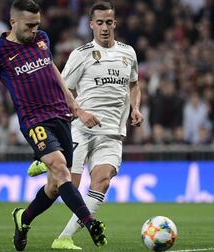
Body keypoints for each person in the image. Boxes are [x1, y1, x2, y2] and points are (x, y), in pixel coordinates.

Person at [0, 0, 106, 251]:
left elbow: (52, 69)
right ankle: (89, 222)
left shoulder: (42, 39)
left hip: (60, 115)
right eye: (29, 25)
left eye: (37, 25)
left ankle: (24, 218)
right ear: (13, 22)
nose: (34, 30)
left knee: (54, 186)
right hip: (33, 120)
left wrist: (74, 105)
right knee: (61, 169)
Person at [27, 2, 143, 249]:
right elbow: (62, 89)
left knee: (103, 180)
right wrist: (79, 111)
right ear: (91, 24)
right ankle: (28, 207)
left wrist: (135, 107)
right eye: (99, 22)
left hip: (112, 133)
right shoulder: (81, 54)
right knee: (65, 186)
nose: (104, 28)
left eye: (108, 22)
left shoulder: (128, 53)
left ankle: (64, 238)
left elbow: (134, 84)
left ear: (115, 24)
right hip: (81, 129)